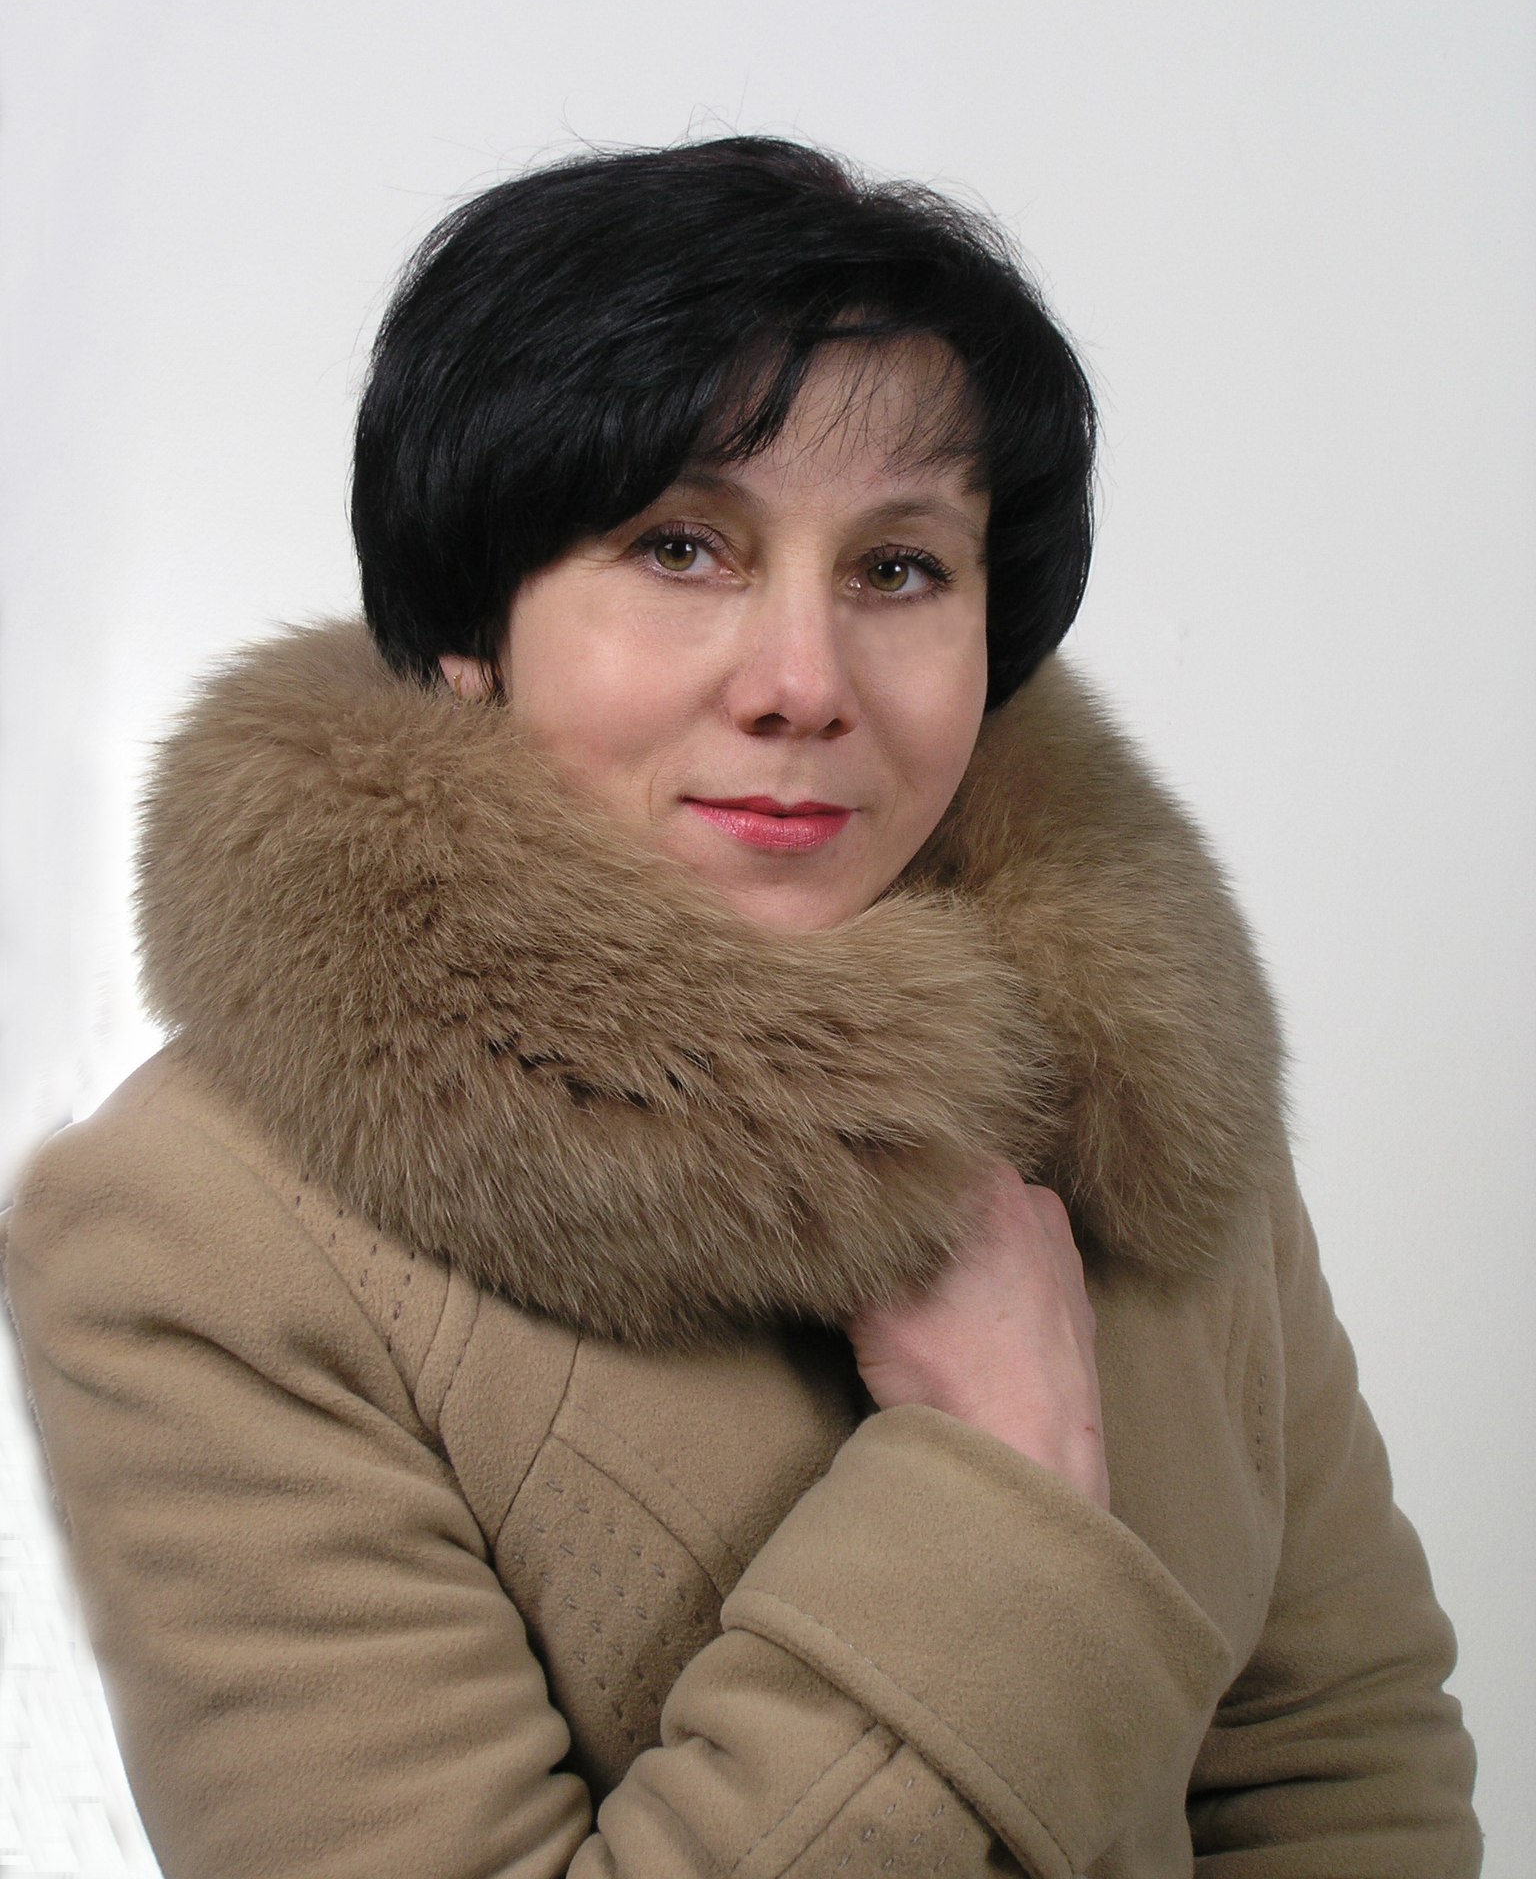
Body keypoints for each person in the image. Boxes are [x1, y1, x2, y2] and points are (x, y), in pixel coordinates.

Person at [4, 137, 1479, 1877]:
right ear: (472, 627)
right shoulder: (195, 1240)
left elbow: (1339, 1766)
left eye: (899, 569)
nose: (802, 684)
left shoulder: (1125, 1089)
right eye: (683, 546)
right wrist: (992, 1478)